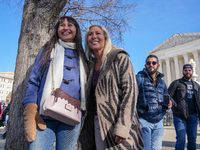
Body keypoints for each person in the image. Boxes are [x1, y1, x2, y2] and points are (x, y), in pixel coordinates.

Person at [23, 16, 88, 150]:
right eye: (61, 25)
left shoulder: (83, 56)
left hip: (72, 119)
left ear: (76, 30)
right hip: (44, 116)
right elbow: (34, 81)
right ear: (57, 29)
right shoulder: (47, 51)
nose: (65, 28)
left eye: (70, 25)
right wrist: (30, 109)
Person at [77, 25, 143, 150]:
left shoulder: (119, 57)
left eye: (98, 33)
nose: (94, 36)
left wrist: (123, 126)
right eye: (90, 34)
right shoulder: (90, 65)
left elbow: (131, 91)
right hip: (98, 122)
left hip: (119, 121)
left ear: (105, 38)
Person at [136, 54, 172, 150]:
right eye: (148, 63)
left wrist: (168, 104)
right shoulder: (139, 78)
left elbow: (166, 95)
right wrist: (135, 120)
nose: (151, 65)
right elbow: (131, 99)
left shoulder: (162, 82)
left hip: (159, 121)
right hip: (144, 121)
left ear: (158, 65)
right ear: (145, 65)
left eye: (153, 63)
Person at [168, 64, 200, 150]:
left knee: (192, 140)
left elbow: (199, 100)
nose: (187, 72)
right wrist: (176, 106)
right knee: (181, 140)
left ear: (192, 72)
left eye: (189, 70)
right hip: (179, 116)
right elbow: (168, 96)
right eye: (185, 70)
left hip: (193, 116)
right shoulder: (176, 83)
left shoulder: (196, 85)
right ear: (183, 72)